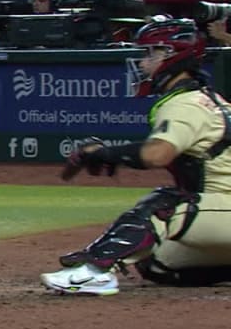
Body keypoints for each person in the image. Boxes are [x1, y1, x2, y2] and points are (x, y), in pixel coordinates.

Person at [42, 17, 231, 295]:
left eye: (149, 53)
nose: (143, 63)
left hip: (222, 209)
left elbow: (157, 154)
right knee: (158, 262)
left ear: (172, 55)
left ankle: (95, 272)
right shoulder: (203, 99)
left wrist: (107, 153)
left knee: (164, 203)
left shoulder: (186, 104)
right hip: (217, 211)